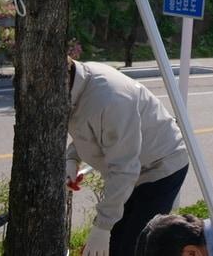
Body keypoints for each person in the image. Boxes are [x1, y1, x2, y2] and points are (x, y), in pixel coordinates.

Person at [66, 59, 190, 256]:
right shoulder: (78, 84)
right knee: (117, 243)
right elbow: (93, 130)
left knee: (136, 246)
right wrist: (72, 159)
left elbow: (124, 169)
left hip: (160, 166)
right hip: (132, 169)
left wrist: (102, 227)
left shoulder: (111, 98)